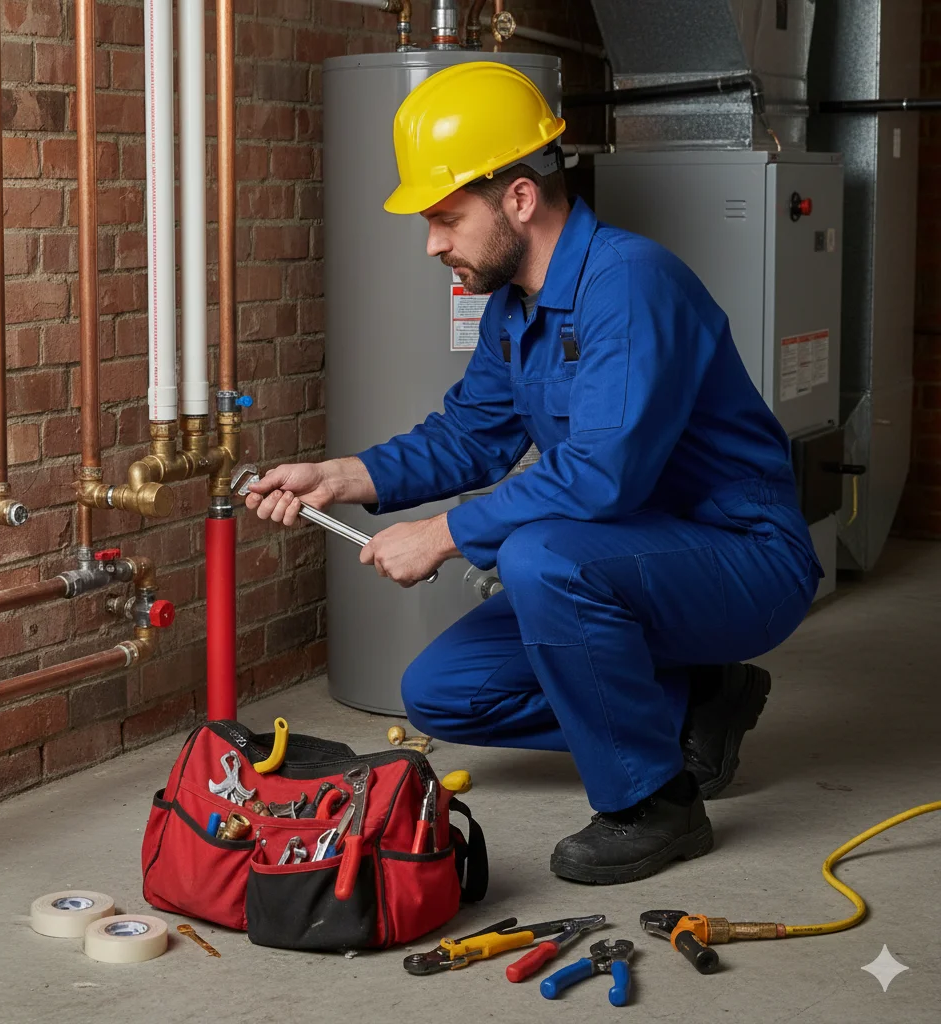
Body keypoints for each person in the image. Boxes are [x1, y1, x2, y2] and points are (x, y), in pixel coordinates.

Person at [246, 63, 821, 885]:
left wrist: (442, 534)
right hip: (630, 557)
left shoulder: (631, 284)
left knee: (539, 554)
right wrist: (342, 477)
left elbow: (601, 476)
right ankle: (696, 706)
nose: (434, 243)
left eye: (446, 217)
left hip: (743, 556)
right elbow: (469, 437)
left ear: (518, 198)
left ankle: (654, 805)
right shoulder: (515, 307)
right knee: (441, 692)